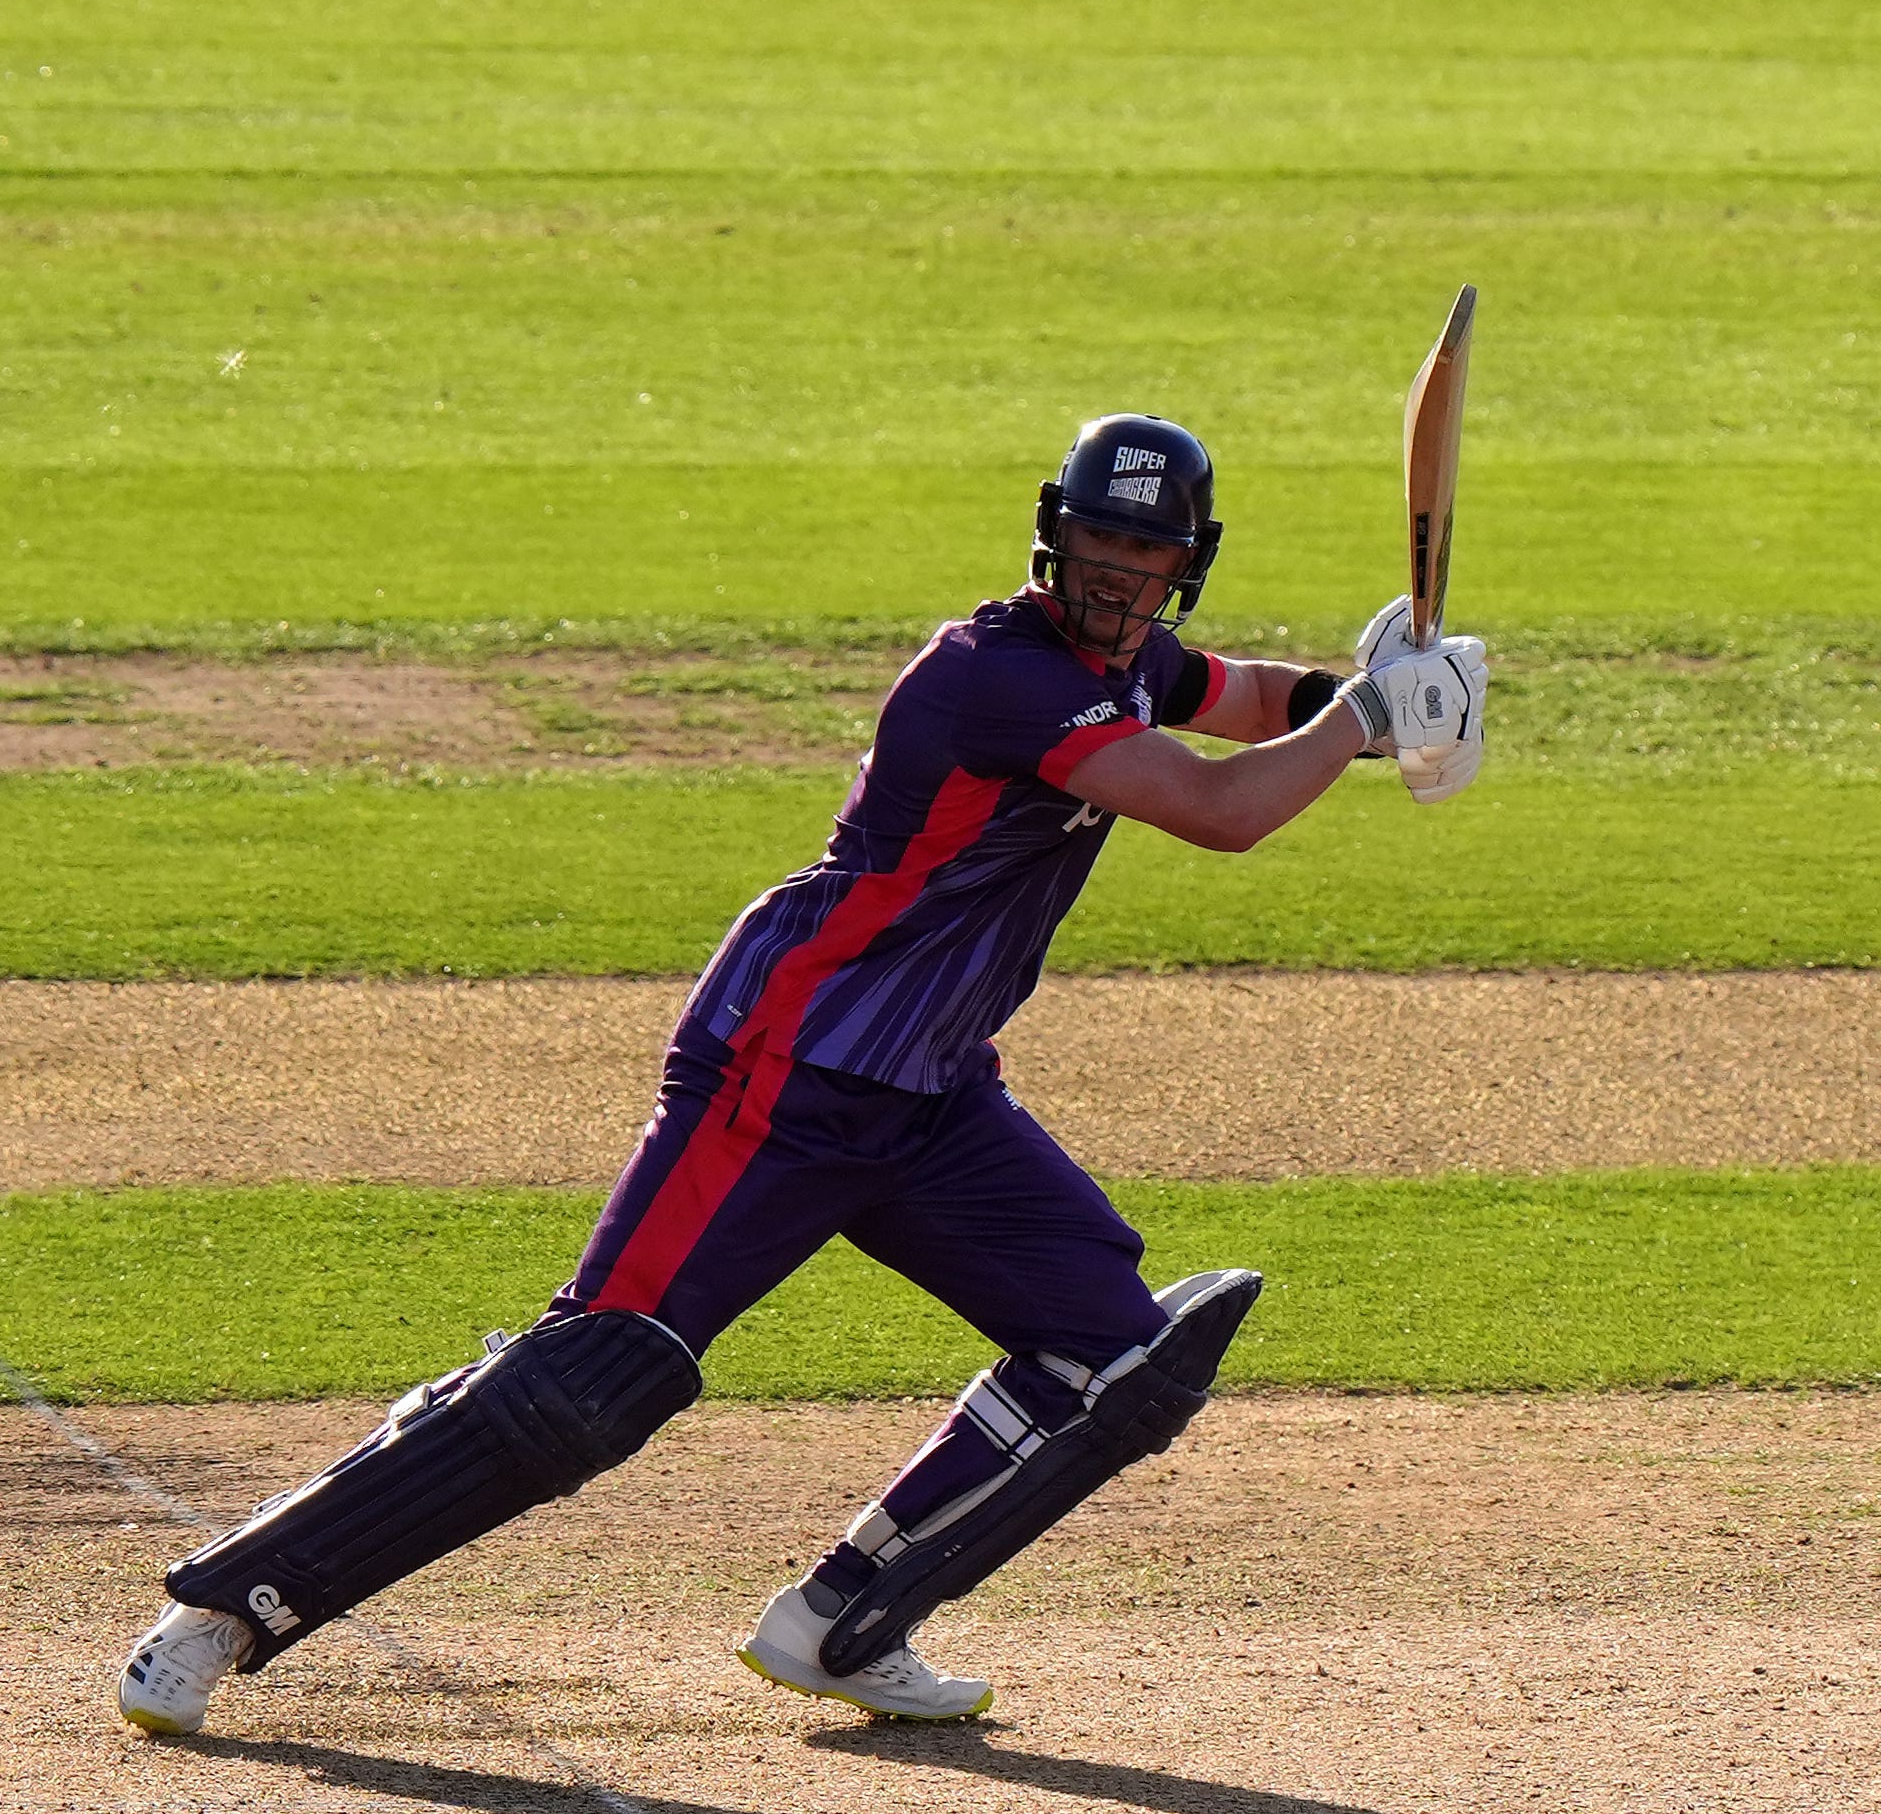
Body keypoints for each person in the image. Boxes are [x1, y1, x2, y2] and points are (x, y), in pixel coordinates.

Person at [112, 411, 1484, 1735]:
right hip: (791, 1065)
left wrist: (1387, 688)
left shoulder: (1135, 659)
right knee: (591, 1381)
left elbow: (1245, 705)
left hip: (932, 1093)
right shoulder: (994, 676)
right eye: (1094, 553)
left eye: (1147, 567)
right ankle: (220, 1614)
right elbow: (1221, 810)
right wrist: (1368, 713)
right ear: (1049, 541)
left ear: (1185, 566)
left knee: (1111, 1356)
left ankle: (845, 1620)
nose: (1118, 586)